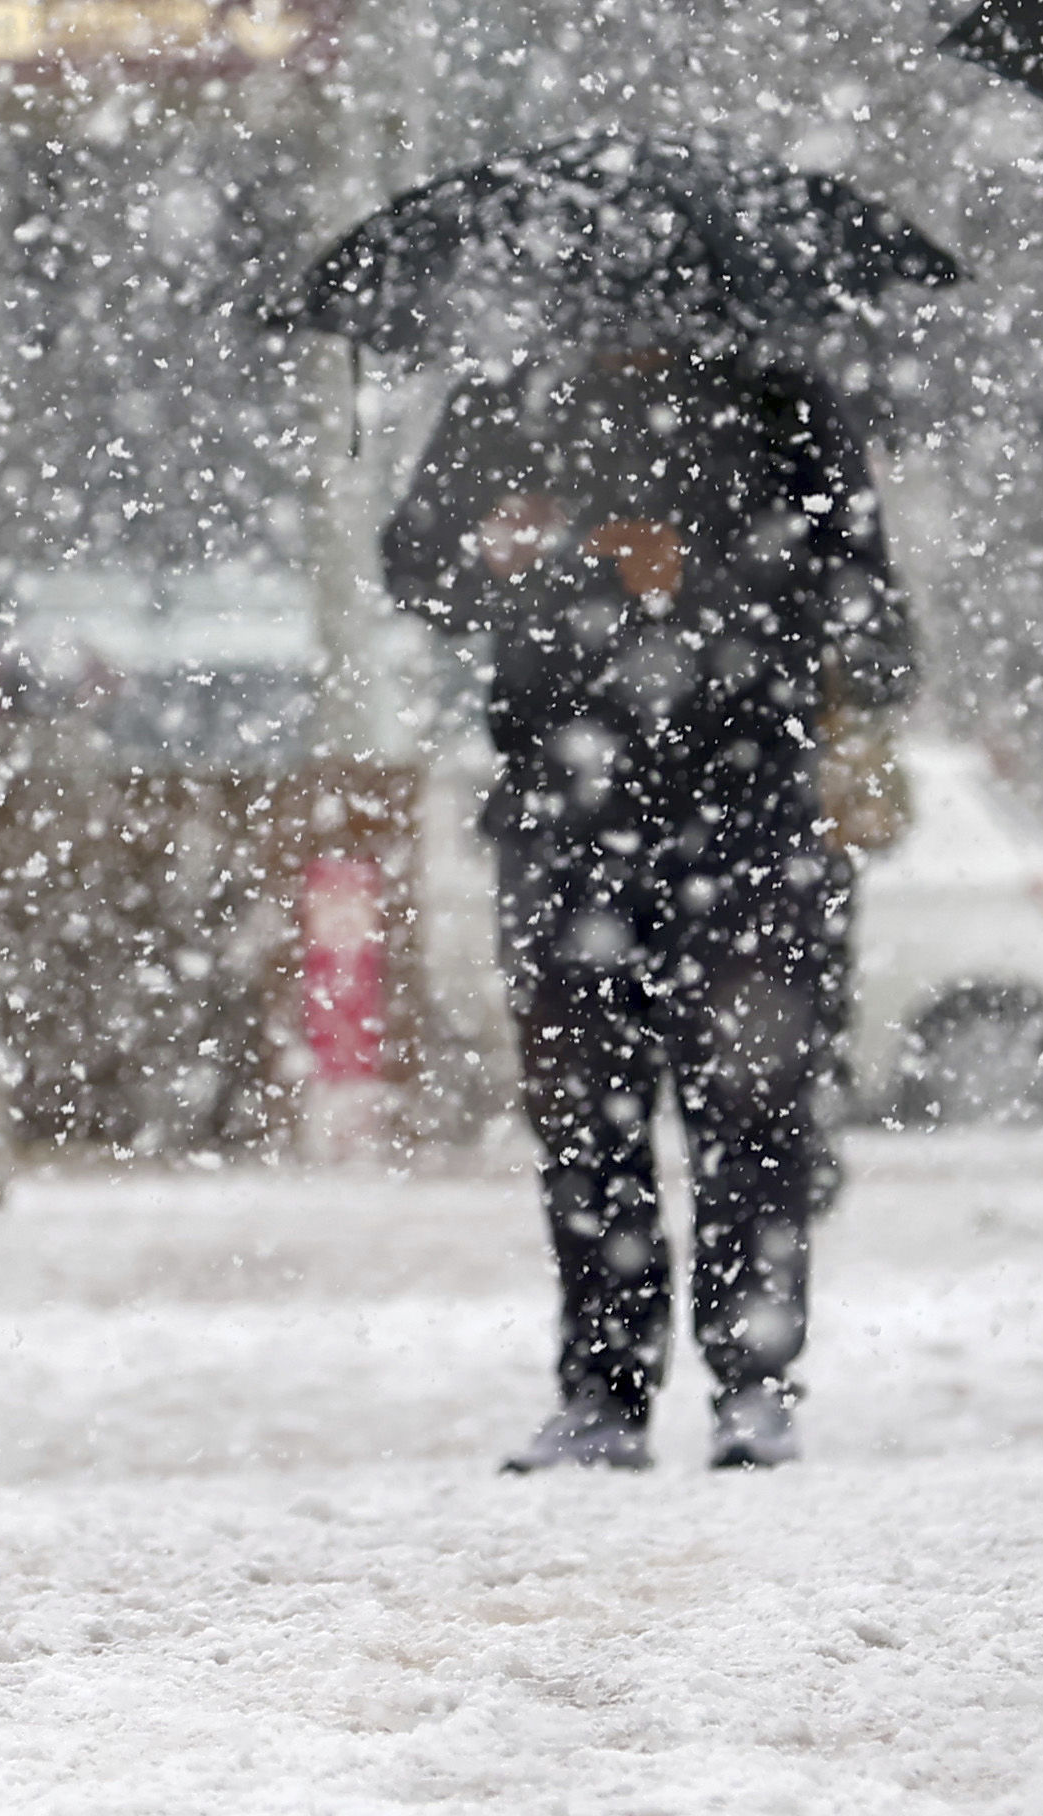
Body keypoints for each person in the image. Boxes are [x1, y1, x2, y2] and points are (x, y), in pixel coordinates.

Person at [386, 337, 909, 1472]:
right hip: (565, 822)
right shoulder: (507, 394)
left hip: (751, 822)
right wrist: (505, 557)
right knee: (585, 1120)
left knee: (754, 1114)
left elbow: (876, 626)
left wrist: (703, 581)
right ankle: (605, 1388)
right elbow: (416, 565)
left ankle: (752, 1378)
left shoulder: (781, 398)